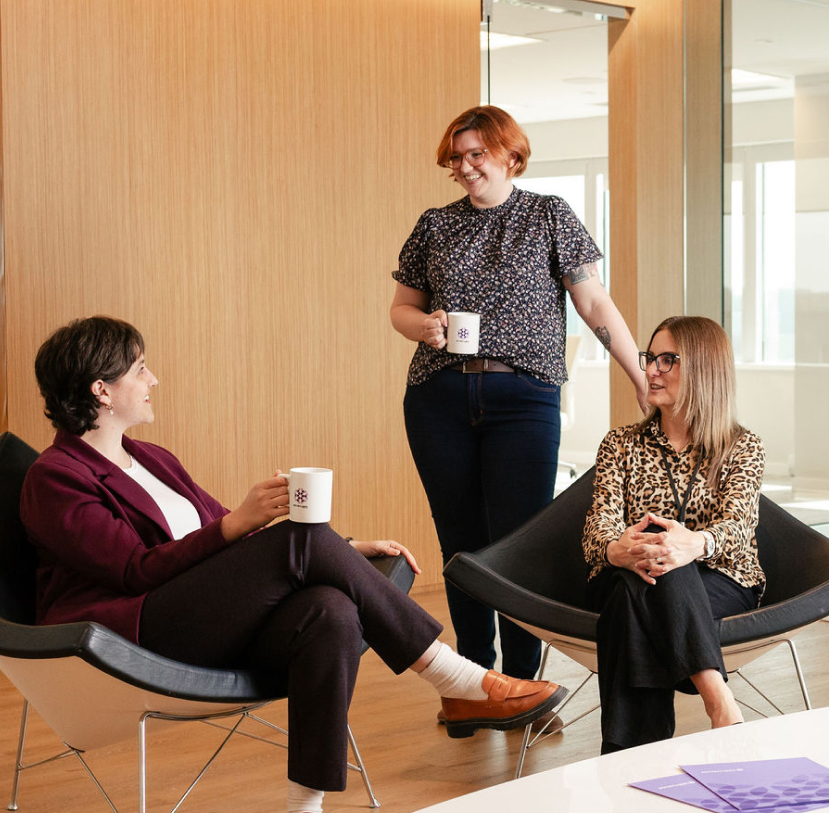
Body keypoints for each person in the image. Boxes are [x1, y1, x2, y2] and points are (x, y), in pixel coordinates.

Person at [20, 316, 568, 813]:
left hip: (202, 616)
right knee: (295, 539)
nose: (153, 379)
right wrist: (246, 524)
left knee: (330, 610)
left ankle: (304, 806)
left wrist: (341, 554)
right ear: (102, 389)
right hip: (134, 635)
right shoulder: (56, 476)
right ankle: (456, 678)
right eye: (141, 369)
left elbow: (224, 541)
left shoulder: (152, 459)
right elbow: (135, 569)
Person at [390, 105, 648, 682]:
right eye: (456, 157)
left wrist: (638, 373)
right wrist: (423, 325)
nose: (465, 166)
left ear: (511, 155)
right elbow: (400, 308)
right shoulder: (435, 223)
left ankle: (525, 681)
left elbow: (594, 303)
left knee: (521, 543)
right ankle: (475, 679)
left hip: (524, 397)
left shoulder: (549, 215)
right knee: (460, 539)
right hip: (439, 397)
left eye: (476, 153)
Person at [582, 315, 766, 754]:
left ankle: (628, 756)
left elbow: (740, 525)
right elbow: (597, 527)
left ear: (704, 367)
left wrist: (694, 544)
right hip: (630, 572)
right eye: (650, 359)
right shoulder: (620, 443)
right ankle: (719, 703)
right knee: (650, 569)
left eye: (668, 360)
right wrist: (616, 550)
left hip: (725, 580)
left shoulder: (742, 445)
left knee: (642, 587)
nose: (650, 371)